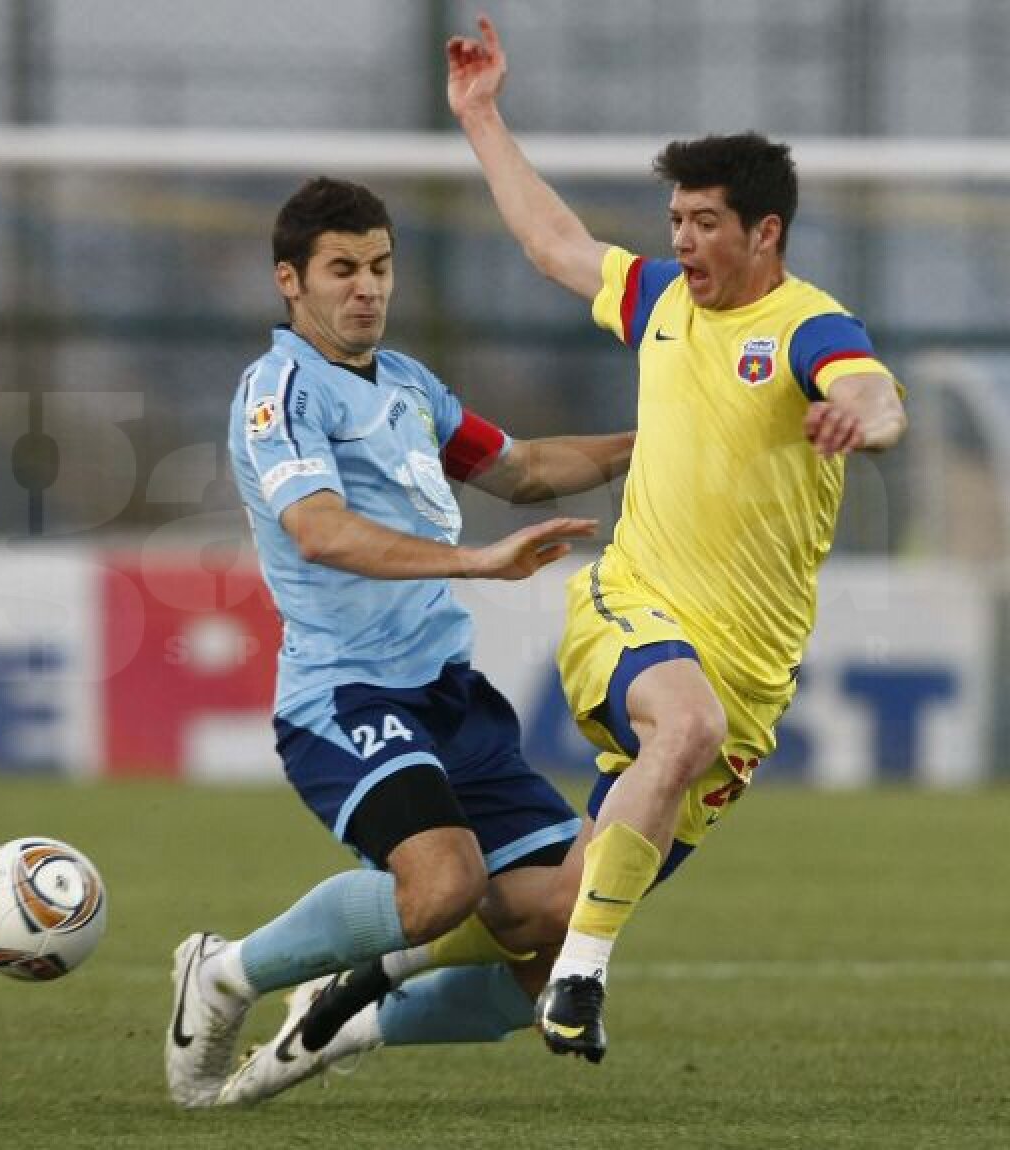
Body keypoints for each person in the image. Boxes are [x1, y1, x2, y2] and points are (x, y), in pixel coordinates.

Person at [217, 13, 908, 1101]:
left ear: (765, 233)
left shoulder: (808, 325)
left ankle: (353, 1016)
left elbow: (866, 383)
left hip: (750, 666)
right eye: (672, 220)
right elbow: (552, 241)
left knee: (551, 910)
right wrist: (483, 117)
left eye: (702, 223)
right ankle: (574, 982)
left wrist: (863, 418)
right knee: (674, 734)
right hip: (632, 614)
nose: (677, 242)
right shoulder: (660, 303)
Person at [165, 174, 636, 1108]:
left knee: (557, 933)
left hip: (448, 699)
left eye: (380, 265)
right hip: (344, 697)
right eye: (342, 269)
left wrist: (665, 437)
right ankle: (222, 971)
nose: (367, 287)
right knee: (442, 886)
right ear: (289, 282)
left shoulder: (410, 385)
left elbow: (528, 469)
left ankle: (339, 1023)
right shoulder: (280, 390)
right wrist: (472, 560)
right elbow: (320, 530)